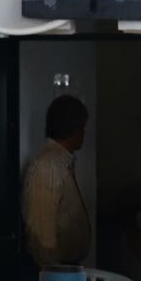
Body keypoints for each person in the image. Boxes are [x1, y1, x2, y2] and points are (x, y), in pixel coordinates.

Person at [22, 95, 92, 268]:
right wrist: (55, 275)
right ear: (75, 130)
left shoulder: (61, 164)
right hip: (55, 274)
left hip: (64, 271)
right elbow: (42, 235)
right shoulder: (48, 167)